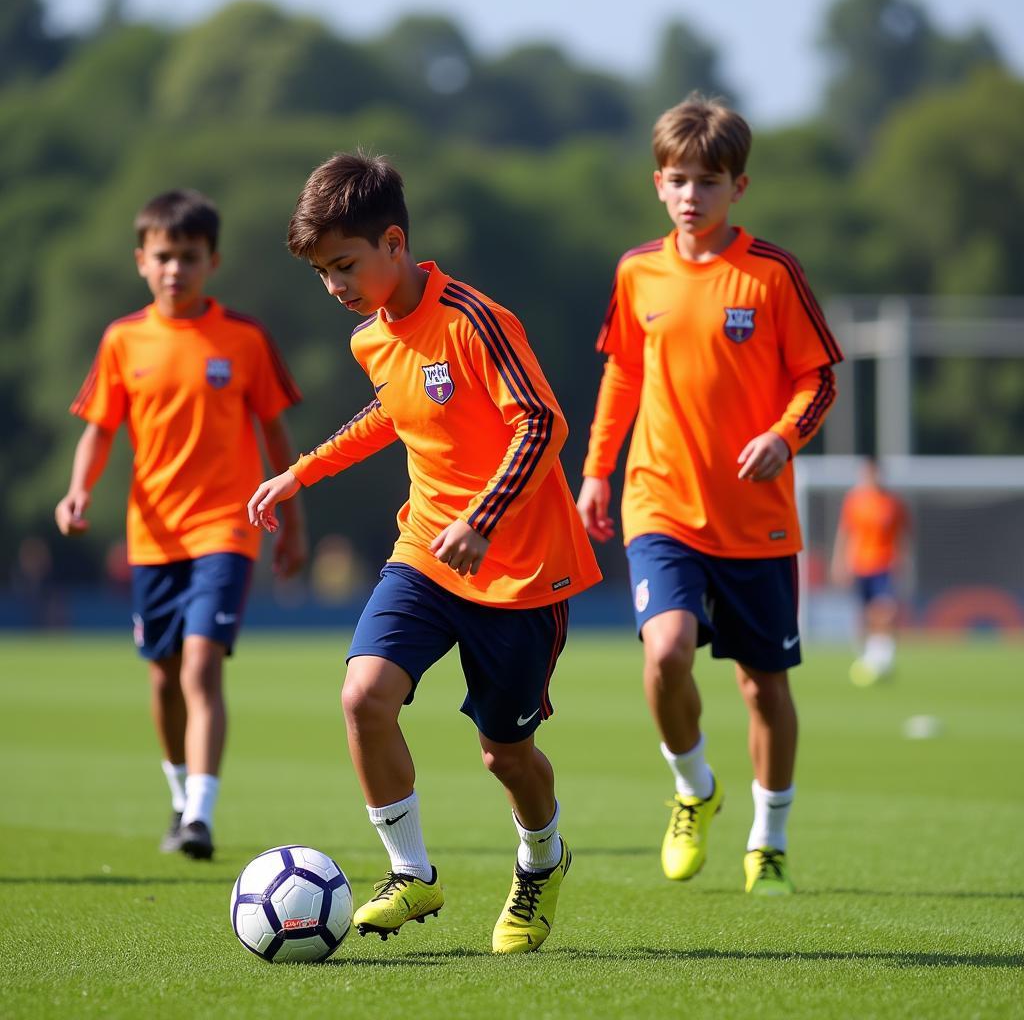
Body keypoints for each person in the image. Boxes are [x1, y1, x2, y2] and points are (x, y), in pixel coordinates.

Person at [248, 152, 601, 954]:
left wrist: (483, 516)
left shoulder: (474, 319)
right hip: (427, 554)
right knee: (362, 696)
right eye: (321, 272)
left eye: (344, 265)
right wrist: (301, 471)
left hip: (519, 571)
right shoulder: (372, 337)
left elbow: (542, 424)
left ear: (394, 243)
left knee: (505, 755)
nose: (334, 285)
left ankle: (541, 863)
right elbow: (391, 414)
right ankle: (412, 873)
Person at [576, 95, 843, 896]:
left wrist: (783, 436)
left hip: (755, 520)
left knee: (764, 687)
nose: (692, 194)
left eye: (709, 181)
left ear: (740, 186)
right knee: (666, 650)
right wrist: (596, 468)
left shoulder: (772, 274)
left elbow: (818, 378)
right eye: (679, 179)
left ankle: (770, 836)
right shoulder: (637, 272)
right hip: (659, 504)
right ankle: (693, 786)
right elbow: (622, 371)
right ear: (659, 184)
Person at [55, 189, 306, 860]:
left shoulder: (244, 339)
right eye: (163, 257)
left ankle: (199, 815)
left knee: (200, 666)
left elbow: (275, 433)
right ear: (142, 261)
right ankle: (178, 793)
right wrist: (78, 491)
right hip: (152, 535)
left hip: (227, 527)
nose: (176, 269)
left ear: (212, 261)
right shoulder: (122, 340)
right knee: (163, 678)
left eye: (189, 257)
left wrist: (295, 522)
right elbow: (99, 430)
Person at [831, 456, 910, 685]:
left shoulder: (892, 502)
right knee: (864, 613)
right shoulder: (855, 501)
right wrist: (839, 561)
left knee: (884, 610)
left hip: (885, 563)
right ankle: (867, 655)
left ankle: (883, 657)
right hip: (859, 564)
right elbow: (846, 532)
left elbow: (903, 534)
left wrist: (903, 560)